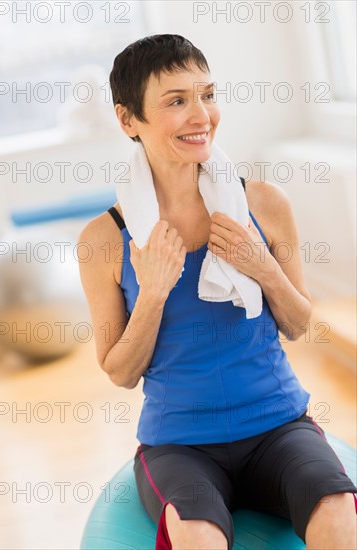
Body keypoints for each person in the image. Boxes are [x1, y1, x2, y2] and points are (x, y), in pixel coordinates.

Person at [78, 34, 357, 550]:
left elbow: (298, 324)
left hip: (280, 426)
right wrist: (155, 292)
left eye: (207, 94)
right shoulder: (105, 240)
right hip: (179, 444)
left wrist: (263, 267)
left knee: (337, 508)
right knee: (199, 537)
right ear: (127, 120)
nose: (201, 114)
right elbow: (118, 371)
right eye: (177, 101)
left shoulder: (265, 205)